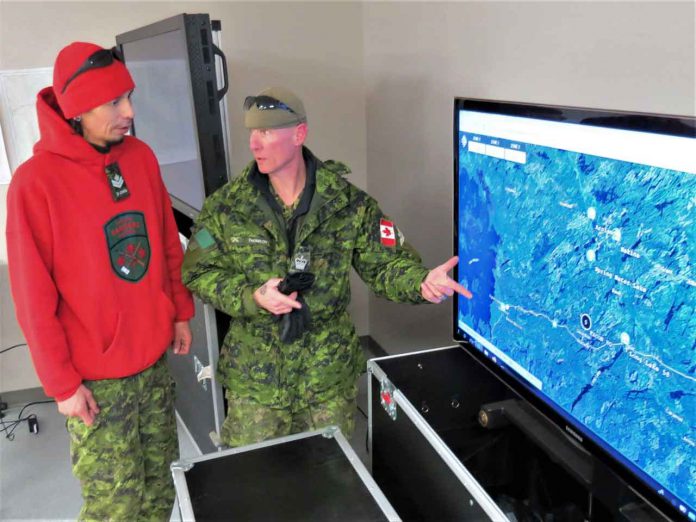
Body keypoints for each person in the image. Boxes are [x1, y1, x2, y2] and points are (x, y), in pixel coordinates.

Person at [182, 86, 471, 447]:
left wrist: (420, 282)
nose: (254, 143)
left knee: (332, 480)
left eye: (267, 132)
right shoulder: (226, 206)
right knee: (255, 484)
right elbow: (198, 271)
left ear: (298, 134)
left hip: (327, 376)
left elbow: (385, 265)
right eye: (252, 132)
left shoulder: (347, 203)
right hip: (256, 381)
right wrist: (250, 296)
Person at [5, 42, 194, 521]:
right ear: (76, 110)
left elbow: (165, 244)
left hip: (152, 363)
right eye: (114, 102)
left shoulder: (141, 158)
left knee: (161, 488)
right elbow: (32, 298)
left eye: (128, 96)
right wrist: (62, 384)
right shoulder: (34, 183)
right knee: (116, 507)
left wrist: (180, 311)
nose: (130, 111)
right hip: (95, 380)